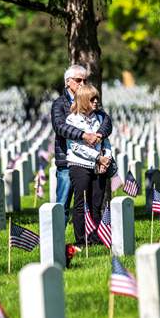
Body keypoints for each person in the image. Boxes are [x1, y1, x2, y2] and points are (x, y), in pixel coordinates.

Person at [51, 65, 112, 226]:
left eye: (85, 80)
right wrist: (84, 135)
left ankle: (91, 234)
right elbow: (60, 126)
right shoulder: (59, 103)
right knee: (63, 204)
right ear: (67, 82)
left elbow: (106, 121)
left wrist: (99, 134)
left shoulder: (89, 98)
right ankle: (57, 240)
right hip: (67, 160)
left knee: (90, 202)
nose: (82, 83)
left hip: (90, 161)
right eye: (78, 80)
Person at [66, 84, 112, 246]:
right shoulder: (72, 120)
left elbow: (105, 141)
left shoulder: (99, 118)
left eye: (96, 98)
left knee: (96, 202)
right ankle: (81, 239)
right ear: (83, 100)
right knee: (81, 203)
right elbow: (76, 147)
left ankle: (96, 237)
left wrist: (107, 158)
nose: (96, 101)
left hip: (100, 165)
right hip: (79, 165)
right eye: (92, 99)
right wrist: (98, 157)